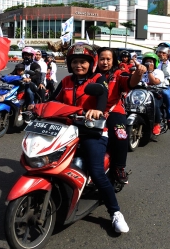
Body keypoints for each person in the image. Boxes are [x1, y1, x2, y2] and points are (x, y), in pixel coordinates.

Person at [47, 42, 129, 233]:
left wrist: (98, 111)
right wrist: (37, 107)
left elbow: (102, 94)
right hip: (67, 131)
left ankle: (115, 212)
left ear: (91, 63)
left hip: (93, 131)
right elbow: (53, 99)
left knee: (97, 171)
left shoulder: (98, 78)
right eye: (75, 61)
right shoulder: (67, 81)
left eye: (83, 62)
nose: (79, 66)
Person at [95, 47, 142, 185]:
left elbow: (130, 82)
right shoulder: (90, 74)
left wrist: (138, 74)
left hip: (114, 111)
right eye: (102, 59)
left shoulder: (118, 73)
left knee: (120, 135)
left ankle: (119, 167)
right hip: (92, 111)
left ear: (113, 60)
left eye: (108, 59)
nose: (105, 62)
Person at [137, 53, 165, 135]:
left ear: (155, 63)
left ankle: (157, 124)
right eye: (147, 62)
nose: (149, 63)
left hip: (154, 93)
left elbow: (154, 82)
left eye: (151, 62)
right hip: (141, 93)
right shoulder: (141, 71)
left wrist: (149, 72)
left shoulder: (158, 72)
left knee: (154, 105)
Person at [155, 45, 170, 130]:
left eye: (163, 53)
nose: (161, 54)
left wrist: (163, 63)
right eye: (159, 52)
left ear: (167, 55)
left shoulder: (169, 65)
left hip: (162, 86)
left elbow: (166, 73)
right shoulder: (153, 61)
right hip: (151, 85)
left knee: (167, 96)